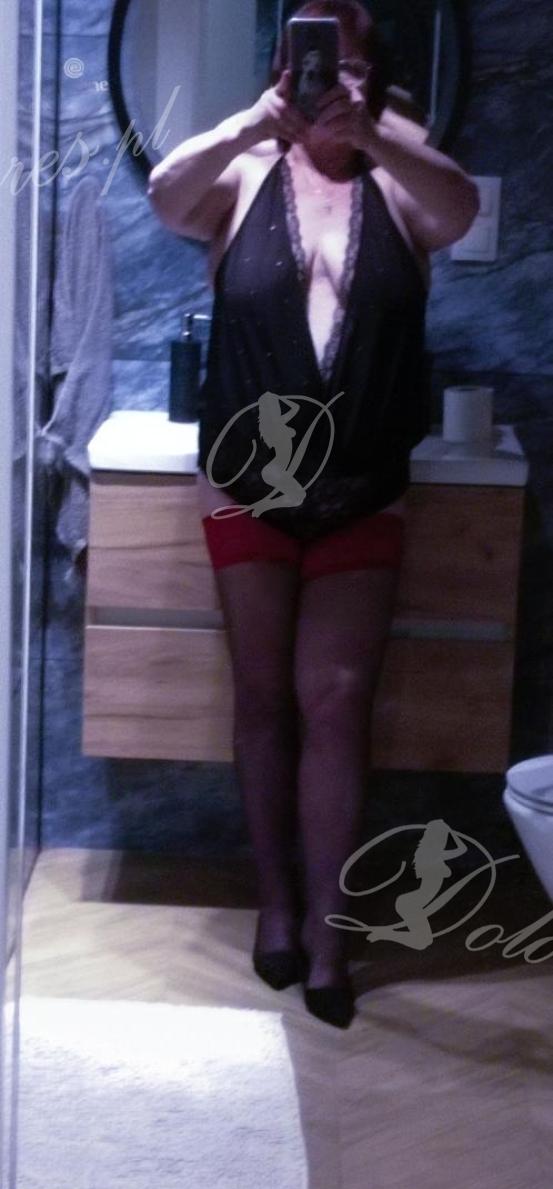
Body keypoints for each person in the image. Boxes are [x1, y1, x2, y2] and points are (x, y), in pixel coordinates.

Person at [148, 0, 479, 1029]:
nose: (329, 77)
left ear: (374, 75)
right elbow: (166, 194)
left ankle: (329, 933)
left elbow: (460, 207)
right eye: (311, 59)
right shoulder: (244, 173)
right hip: (244, 486)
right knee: (261, 701)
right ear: (282, 68)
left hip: (362, 490)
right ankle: (277, 906)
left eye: (350, 62)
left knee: (335, 700)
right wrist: (253, 122)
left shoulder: (400, 177)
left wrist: (373, 130)